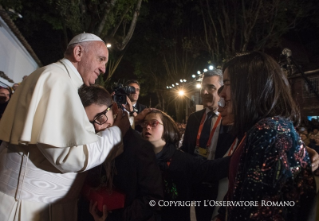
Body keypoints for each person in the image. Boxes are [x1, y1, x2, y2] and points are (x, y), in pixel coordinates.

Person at [0, 33, 130, 221]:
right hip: (26, 207)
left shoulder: (58, 77)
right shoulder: (57, 80)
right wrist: (116, 132)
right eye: (101, 59)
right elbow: (69, 156)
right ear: (78, 52)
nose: (103, 69)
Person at [217, 51, 315, 221]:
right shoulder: (262, 130)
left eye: (226, 84)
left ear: (250, 87)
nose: (221, 94)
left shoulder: (269, 132)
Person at [78, 85, 163, 221]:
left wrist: (115, 218)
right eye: (90, 123)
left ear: (114, 108)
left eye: (100, 118)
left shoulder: (140, 148)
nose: (98, 127)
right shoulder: (92, 144)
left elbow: (153, 199)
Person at [139, 109, 230, 221]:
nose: (147, 127)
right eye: (145, 124)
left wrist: (243, 152)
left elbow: (210, 169)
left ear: (166, 128)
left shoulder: (181, 160)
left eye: (154, 123)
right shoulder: (138, 159)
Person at [181, 69, 235, 221]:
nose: (204, 92)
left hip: (221, 186)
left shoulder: (231, 119)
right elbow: (186, 150)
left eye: (211, 87)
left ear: (223, 89)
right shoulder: (194, 118)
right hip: (198, 187)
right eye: (203, 87)